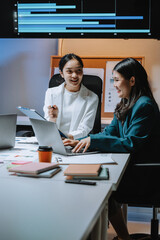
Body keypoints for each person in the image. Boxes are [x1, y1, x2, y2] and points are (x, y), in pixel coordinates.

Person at [63, 58, 160, 240]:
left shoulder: (144, 105)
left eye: (116, 80)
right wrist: (83, 141)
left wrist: (92, 141)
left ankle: (123, 237)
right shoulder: (126, 102)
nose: (114, 85)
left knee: (98, 187)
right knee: (92, 182)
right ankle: (123, 237)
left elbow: (130, 143)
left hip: (145, 175)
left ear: (132, 80)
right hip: (133, 169)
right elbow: (110, 132)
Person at [43, 53, 98, 140]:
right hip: (53, 141)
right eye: (69, 71)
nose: (75, 75)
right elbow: (47, 125)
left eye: (78, 70)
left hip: (76, 143)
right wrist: (53, 118)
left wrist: (67, 138)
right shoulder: (51, 93)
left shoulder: (92, 97)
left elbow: (85, 128)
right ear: (61, 73)